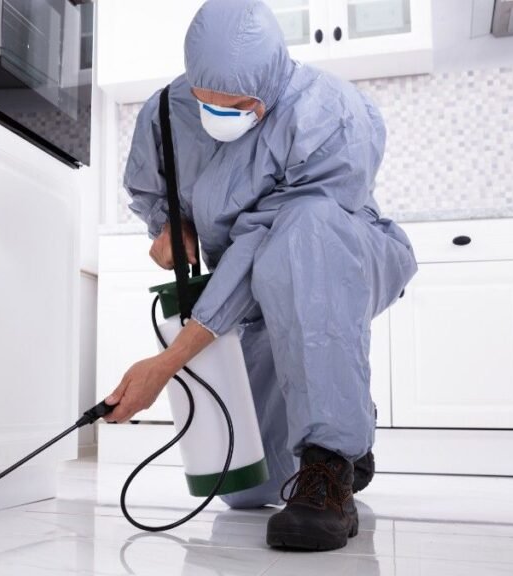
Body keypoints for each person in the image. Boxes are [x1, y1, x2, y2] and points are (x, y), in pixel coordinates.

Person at [101, 0, 418, 552]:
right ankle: (345, 417)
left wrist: (171, 359)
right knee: (247, 488)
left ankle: (330, 461)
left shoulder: (330, 111)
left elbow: (265, 244)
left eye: (241, 105)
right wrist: (169, 226)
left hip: (337, 256)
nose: (221, 112)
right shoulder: (164, 112)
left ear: (271, 82)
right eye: (207, 100)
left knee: (303, 232)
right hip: (254, 288)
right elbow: (153, 190)